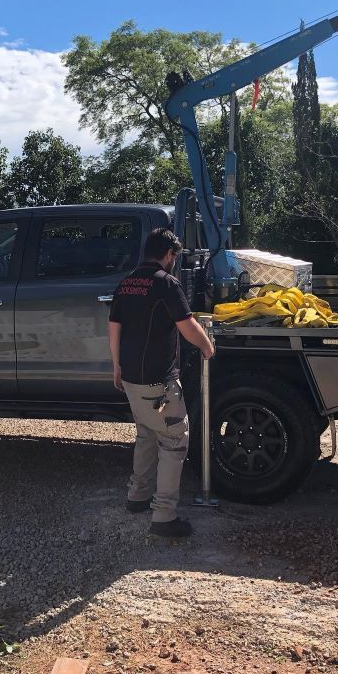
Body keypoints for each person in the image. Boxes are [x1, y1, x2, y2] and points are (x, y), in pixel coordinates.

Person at [107, 227, 215, 538]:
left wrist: (117, 367)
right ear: (168, 255)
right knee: (174, 441)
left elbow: (114, 327)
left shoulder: (126, 284)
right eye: (173, 257)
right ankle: (164, 516)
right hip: (159, 383)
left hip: (131, 378)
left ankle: (137, 497)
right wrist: (207, 347)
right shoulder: (167, 284)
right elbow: (187, 325)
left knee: (146, 435)